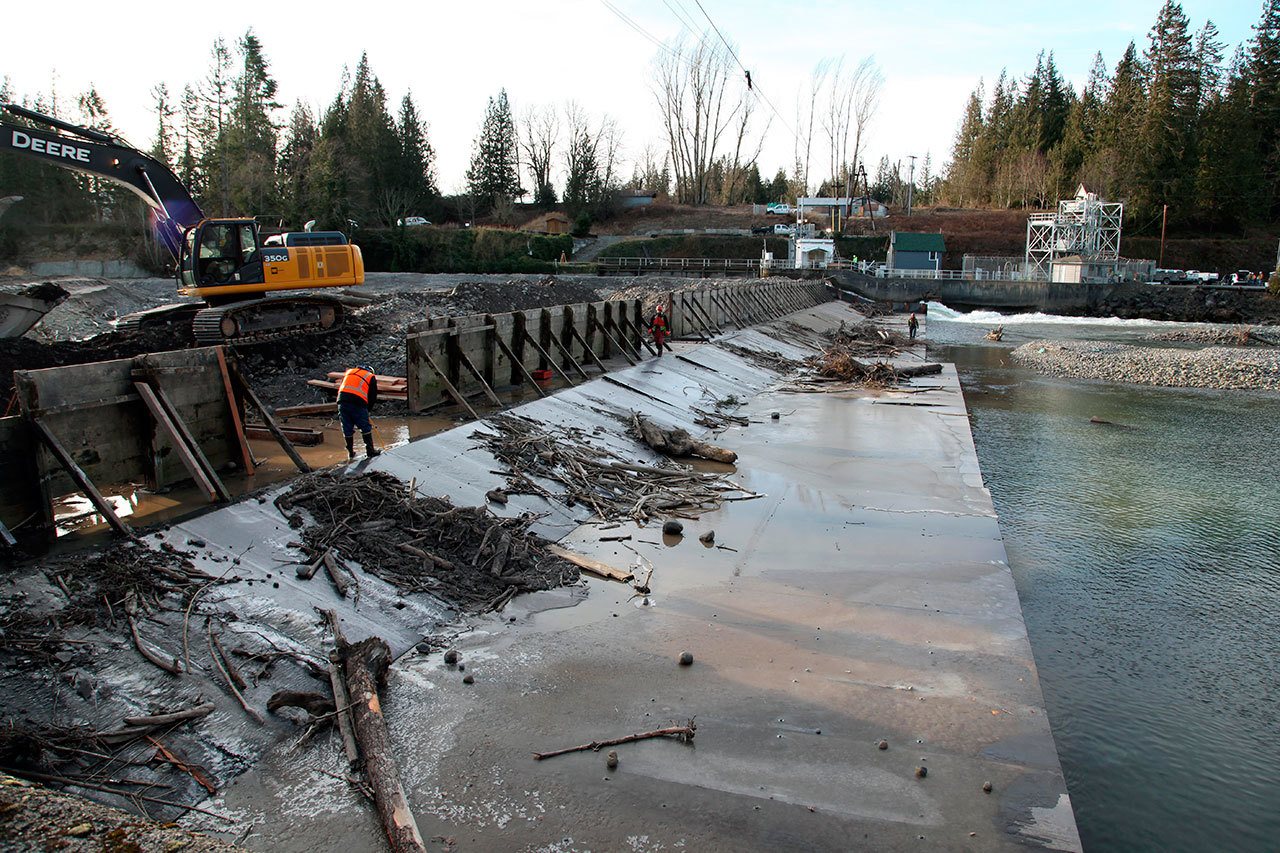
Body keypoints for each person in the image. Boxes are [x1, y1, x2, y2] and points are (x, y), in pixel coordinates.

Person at [337, 365, 380, 460]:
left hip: (342, 401)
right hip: (357, 402)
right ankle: (370, 451)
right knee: (365, 426)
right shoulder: (370, 376)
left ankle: (350, 453)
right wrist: (367, 410)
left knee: (347, 426)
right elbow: (372, 397)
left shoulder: (349, 372)